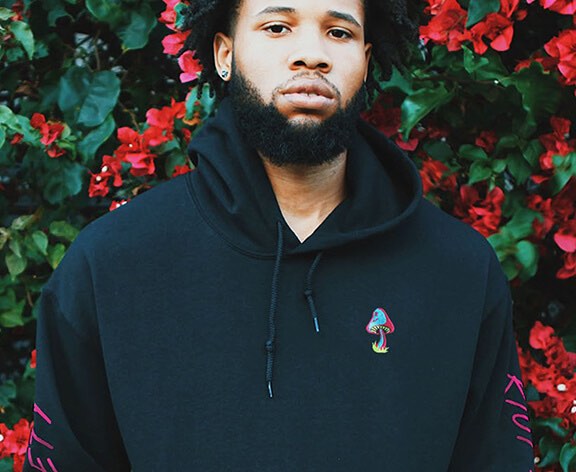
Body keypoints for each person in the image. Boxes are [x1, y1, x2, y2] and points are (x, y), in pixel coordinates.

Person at [25, 0, 535, 470]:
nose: (311, 54)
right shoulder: (112, 265)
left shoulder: (458, 269)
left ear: (365, 61)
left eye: (338, 32)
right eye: (277, 27)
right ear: (225, 54)